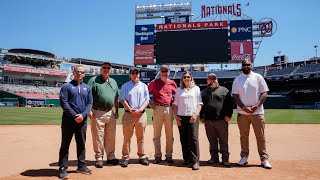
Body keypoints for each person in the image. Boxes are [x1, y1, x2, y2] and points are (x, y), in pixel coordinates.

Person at [231, 59, 272, 169]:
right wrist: (244, 107)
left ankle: (264, 159)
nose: (246, 66)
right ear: (242, 66)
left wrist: (257, 105)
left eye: (248, 64)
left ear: (251, 65)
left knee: (260, 137)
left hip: (257, 113)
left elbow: (264, 92)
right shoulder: (237, 79)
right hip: (242, 113)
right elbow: (235, 95)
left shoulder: (258, 77)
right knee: (244, 137)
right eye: (244, 65)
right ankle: (244, 157)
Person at [58, 65, 93, 179]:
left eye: (82, 72)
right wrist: (74, 115)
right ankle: (63, 168)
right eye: (77, 71)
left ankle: (81, 166)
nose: (79, 73)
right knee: (65, 144)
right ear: (73, 72)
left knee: (81, 144)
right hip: (68, 120)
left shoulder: (87, 88)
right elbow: (64, 103)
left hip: (82, 121)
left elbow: (89, 104)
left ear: (84, 74)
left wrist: (82, 115)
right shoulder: (66, 86)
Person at [87, 62, 120, 168]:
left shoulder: (113, 82)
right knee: (98, 136)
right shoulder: (93, 80)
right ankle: (99, 158)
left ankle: (110, 157)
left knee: (111, 136)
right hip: (97, 111)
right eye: (104, 67)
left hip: (110, 112)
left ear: (110, 70)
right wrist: (89, 110)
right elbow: (88, 96)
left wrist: (117, 111)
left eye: (108, 68)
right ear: (101, 69)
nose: (106, 69)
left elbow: (116, 98)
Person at [200, 73, 233, 167]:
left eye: (214, 79)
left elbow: (229, 104)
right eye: (210, 79)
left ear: (217, 80)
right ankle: (214, 158)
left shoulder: (224, 90)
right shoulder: (204, 92)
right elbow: (200, 106)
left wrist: (228, 115)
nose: (212, 81)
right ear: (207, 80)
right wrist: (201, 117)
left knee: (223, 140)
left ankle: (225, 158)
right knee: (212, 140)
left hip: (221, 120)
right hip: (208, 121)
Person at [119, 68, 150, 167]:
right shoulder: (125, 86)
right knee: (127, 137)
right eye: (133, 73)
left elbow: (147, 100)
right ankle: (125, 157)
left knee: (141, 137)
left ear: (139, 75)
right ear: (130, 75)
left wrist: (140, 109)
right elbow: (123, 100)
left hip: (141, 114)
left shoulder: (144, 86)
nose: (135, 75)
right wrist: (131, 110)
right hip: (129, 114)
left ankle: (142, 156)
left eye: (137, 73)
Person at [173, 72, 203, 170]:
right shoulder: (179, 90)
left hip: (192, 116)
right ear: (182, 79)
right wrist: (176, 116)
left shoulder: (196, 89)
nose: (186, 78)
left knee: (193, 138)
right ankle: (186, 159)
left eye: (188, 77)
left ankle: (195, 161)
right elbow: (175, 105)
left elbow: (199, 103)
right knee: (184, 138)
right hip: (181, 116)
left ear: (191, 78)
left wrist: (196, 114)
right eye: (184, 77)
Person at [148, 66, 177, 164]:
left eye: (166, 71)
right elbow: (145, 92)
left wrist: (173, 105)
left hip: (169, 108)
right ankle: (157, 155)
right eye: (162, 71)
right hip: (158, 108)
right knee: (157, 134)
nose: (164, 73)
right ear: (160, 72)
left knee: (170, 135)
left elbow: (175, 96)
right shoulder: (154, 82)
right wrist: (150, 103)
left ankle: (169, 155)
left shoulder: (172, 83)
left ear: (169, 72)